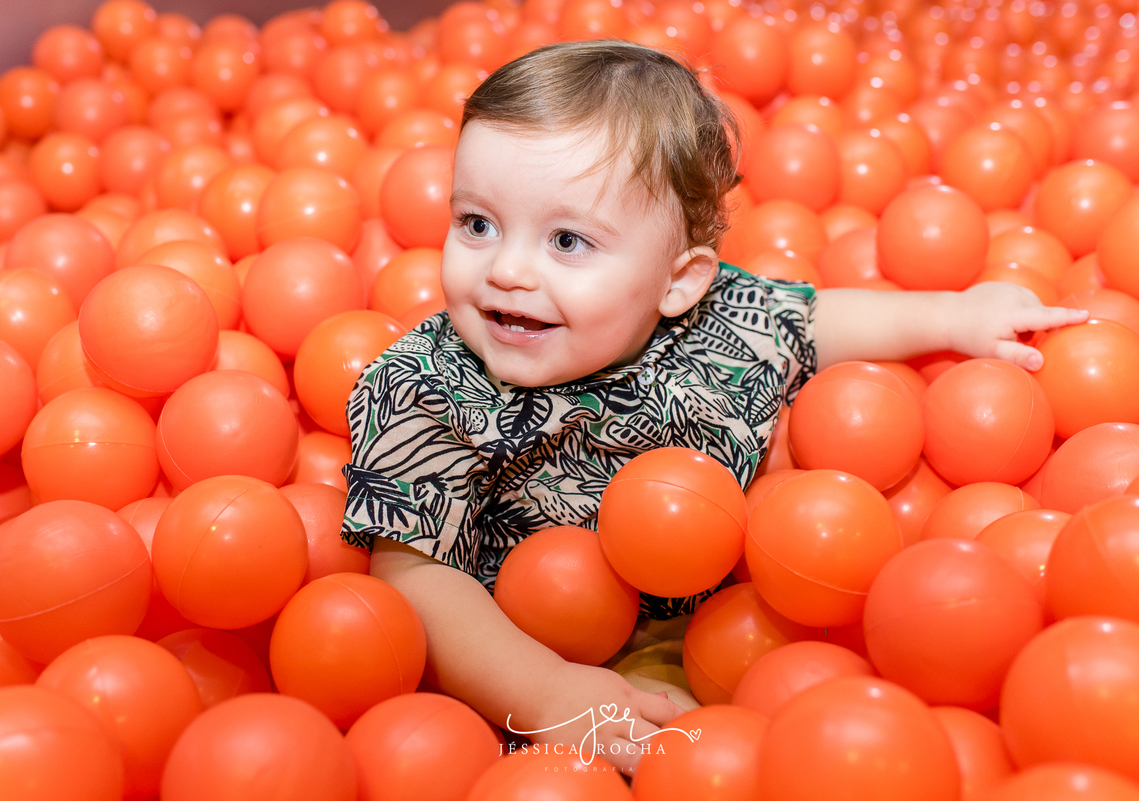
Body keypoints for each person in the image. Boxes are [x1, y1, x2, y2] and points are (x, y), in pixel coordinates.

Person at [340, 40, 1086, 772]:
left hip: (750, 606)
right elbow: (415, 578)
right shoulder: (423, 387)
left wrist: (952, 318)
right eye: (477, 224)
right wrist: (547, 694)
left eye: (567, 240)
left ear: (679, 281)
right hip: (522, 653)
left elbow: (816, 320)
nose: (505, 269)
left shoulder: (724, 321)